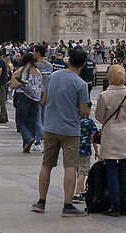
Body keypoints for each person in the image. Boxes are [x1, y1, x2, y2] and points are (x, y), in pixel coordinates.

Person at [35, 47, 93, 216]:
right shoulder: (80, 84)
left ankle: (41, 202)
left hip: (51, 127)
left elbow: (44, 100)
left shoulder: (53, 77)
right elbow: (84, 112)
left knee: (47, 165)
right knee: (70, 166)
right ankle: (68, 205)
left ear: (68, 60)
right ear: (83, 64)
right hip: (70, 130)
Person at [92, 60, 126, 215]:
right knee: (125, 169)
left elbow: (99, 116)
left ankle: (115, 205)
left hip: (111, 133)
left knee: (111, 169)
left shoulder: (104, 95)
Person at [14, 44, 46, 154]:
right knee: (32, 121)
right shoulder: (37, 71)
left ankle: (29, 139)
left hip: (24, 97)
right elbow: (41, 87)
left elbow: (13, 84)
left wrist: (21, 85)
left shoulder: (22, 70)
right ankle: (26, 145)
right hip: (36, 99)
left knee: (21, 122)